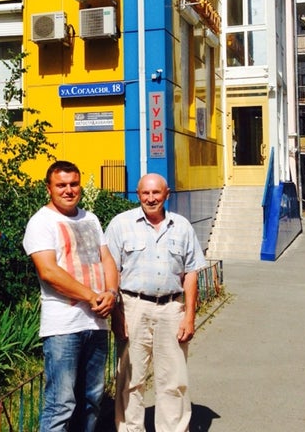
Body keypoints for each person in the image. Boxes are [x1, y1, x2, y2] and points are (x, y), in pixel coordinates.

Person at [105, 173, 206, 432]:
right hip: (133, 307)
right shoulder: (120, 224)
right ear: (138, 194)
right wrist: (116, 314)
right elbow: (111, 272)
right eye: (145, 193)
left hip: (172, 309)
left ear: (166, 194)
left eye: (156, 193)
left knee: (173, 380)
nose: (151, 198)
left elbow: (191, 273)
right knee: (130, 379)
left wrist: (189, 316)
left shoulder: (182, 226)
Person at [23, 160, 118, 432]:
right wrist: (92, 297)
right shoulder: (41, 222)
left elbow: (107, 259)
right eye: (61, 185)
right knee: (61, 403)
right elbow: (48, 271)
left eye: (74, 184)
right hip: (64, 326)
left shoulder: (90, 219)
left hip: (96, 323)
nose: (68, 190)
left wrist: (111, 293)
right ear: (49, 188)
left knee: (92, 399)